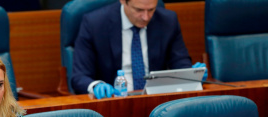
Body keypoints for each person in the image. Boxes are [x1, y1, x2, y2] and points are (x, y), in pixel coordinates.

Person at [71, 0, 207, 99]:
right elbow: (79, 76)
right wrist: (95, 86)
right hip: (114, 102)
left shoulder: (168, 21)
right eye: (139, 10)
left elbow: (180, 62)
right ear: (123, 1)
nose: (146, 17)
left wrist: (191, 75)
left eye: (151, 10)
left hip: (157, 101)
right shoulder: (95, 23)